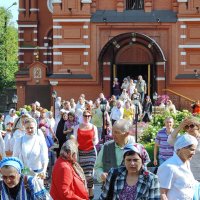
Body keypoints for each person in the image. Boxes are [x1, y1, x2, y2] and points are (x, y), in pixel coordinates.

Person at [94, 119, 148, 183]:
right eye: (113, 131)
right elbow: (97, 167)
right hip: (110, 189)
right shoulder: (106, 147)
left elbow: (144, 172)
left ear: (126, 134)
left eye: (117, 132)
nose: (113, 135)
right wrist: (101, 175)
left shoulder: (139, 149)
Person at [158, 134, 199, 200]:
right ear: (181, 148)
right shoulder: (168, 167)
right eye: (192, 149)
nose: (194, 153)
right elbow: (162, 193)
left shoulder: (186, 163)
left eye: (194, 150)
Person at [74, 110, 98, 198]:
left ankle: (90, 193)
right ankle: (85, 194)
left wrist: (95, 141)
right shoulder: (77, 127)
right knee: (82, 174)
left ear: (90, 117)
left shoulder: (93, 127)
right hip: (81, 153)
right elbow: (74, 140)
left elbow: (97, 140)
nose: (87, 117)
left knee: (89, 174)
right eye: (85, 115)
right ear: (82, 116)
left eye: (88, 116)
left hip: (91, 152)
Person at [168, 116, 200, 181]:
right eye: (186, 127)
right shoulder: (184, 139)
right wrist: (180, 126)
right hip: (186, 175)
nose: (189, 129)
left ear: (198, 126)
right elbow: (170, 140)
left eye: (192, 126)